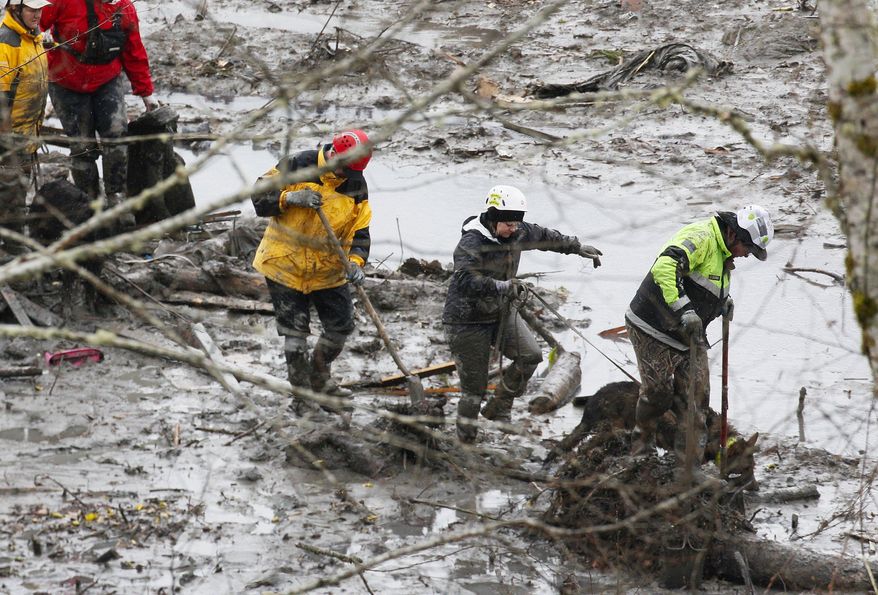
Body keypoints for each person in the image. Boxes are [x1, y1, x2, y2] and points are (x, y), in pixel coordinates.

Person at [443, 185, 603, 443]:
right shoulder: (472, 241)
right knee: (474, 390)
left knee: (530, 356)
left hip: (501, 312)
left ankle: (499, 406)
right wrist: (503, 286)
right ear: (493, 217)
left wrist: (577, 247)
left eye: (517, 223)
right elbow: (464, 279)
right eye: (508, 224)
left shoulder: (516, 231)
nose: (514, 229)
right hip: (467, 320)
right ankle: (466, 442)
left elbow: (544, 236)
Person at [625, 205, 773, 472]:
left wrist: (723, 302)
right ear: (733, 234)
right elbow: (664, 267)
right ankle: (640, 450)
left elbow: (704, 284)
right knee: (658, 394)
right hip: (652, 326)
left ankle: (688, 469)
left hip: (688, 336)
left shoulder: (725, 252)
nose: (747, 255)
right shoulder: (702, 237)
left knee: (697, 402)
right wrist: (685, 309)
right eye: (748, 248)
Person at [251, 129, 372, 411]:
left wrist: (356, 264)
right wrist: (288, 199)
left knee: (341, 326)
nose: (345, 178)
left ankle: (319, 379)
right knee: (295, 335)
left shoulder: (355, 184)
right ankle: (302, 398)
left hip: (327, 269)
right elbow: (258, 196)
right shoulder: (296, 164)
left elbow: (361, 231)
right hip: (284, 264)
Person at [40, 0, 156, 222]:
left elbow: (134, 52)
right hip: (66, 81)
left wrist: (146, 93)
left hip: (107, 79)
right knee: (83, 146)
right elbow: (32, 23)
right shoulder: (63, 2)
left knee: (116, 135)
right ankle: (89, 203)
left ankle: (116, 196)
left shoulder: (125, 9)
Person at [0, 0, 49, 254]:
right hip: (11, 134)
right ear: (16, 9)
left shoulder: (34, 39)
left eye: (40, 9)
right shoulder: (6, 42)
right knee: (12, 190)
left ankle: (14, 240)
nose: (38, 14)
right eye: (32, 9)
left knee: (19, 187)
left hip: (29, 130)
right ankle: (13, 248)